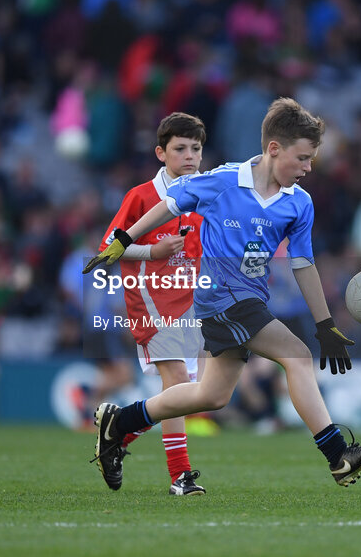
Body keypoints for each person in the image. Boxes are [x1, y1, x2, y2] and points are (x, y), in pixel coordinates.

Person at [84, 98, 361, 490]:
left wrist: (325, 324)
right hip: (221, 297)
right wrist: (125, 238)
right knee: (297, 357)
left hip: (249, 300)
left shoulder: (299, 203)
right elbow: (169, 205)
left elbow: (303, 265)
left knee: (212, 395)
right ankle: (337, 456)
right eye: (303, 158)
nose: (309, 168)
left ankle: (119, 422)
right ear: (274, 149)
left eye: (312, 160)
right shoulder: (224, 180)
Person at [93, 112, 208, 496]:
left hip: (191, 302)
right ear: (161, 153)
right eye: (180, 149)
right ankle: (180, 476)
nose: (189, 155)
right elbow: (107, 250)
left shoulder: (206, 194)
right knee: (178, 381)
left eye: (196, 148)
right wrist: (152, 249)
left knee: (185, 390)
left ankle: (118, 436)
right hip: (150, 299)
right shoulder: (142, 197)